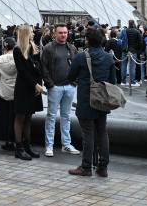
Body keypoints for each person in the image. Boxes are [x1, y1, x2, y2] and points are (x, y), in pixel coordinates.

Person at [66, 26, 116, 177]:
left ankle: (86, 167)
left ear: (87, 40)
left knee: (88, 134)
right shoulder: (108, 58)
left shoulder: (81, 57)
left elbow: (70, 76)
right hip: (102, 100)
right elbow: (113, 81)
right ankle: (103, 167)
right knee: (102, 132)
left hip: (86, 101)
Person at [41, 24, 80, 158]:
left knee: (66, 116)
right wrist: (50, 85)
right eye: (61, 33)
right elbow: (44, 68)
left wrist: (74, 83)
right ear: (54, 34)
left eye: (65, 33)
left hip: (69, 87)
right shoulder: (48, 49)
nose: (63, 35)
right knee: (51, 116)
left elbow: (76, 66)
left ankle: (66, 144)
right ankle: (49, 146)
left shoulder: (72, 48)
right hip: (55, 87)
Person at [12, 24, 45, 160]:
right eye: (31, 32)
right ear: (25, 34)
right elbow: (23, 72)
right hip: (24, 88)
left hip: (34, 87)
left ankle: (27, 146)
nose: (33, 33)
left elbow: (38, 67)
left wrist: (40, 83)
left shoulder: (34, 47)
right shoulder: (17, 50)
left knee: (29, 118)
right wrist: (35, 84)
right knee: (20, 117)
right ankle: (19, 148)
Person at [0, 36, 18, 152]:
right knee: (14, 117)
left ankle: (7, 140)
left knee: (4, 117)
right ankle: (15, 139)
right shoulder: (18, 58)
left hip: (3, 91)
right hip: (15, 92)